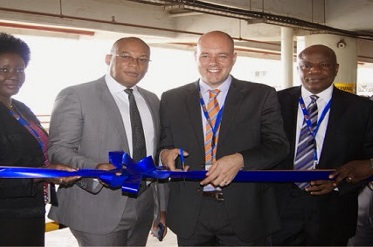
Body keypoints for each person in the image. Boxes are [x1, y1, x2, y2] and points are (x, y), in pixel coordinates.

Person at [158, 30, 289, 246]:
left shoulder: (261, 95)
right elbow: (163, 145)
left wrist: (241, 159)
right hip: (192, 212)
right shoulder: (172, 98)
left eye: (222, 55)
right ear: (195, 57)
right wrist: (164, 154)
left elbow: (278, 146)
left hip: (245, 210)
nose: (213, 63)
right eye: (205, 55)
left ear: (234, 58)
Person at [0, 32, 78, 246]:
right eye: (3, 69)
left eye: (19, 69)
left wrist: (50, 172)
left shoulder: (19, 108)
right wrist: (41, 175)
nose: (14, 75)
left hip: (26, 215)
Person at [47, 37, 167, 246]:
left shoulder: (152, 99)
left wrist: (161, 207)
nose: (134, 64)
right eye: (126, 56)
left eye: (142, 59)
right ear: (108, 58)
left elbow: (155, 155)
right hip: (97, 205)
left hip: (144, 204)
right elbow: (59, 149)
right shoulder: (76, 95)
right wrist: (96, 168)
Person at [272, 44, 373, 246]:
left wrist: (339, 183)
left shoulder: (362, 109)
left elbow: (368, 159)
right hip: (280, 208)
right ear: (298, 68)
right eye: (306, 65)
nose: (314, 71)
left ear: (336, 68)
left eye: (323, 65)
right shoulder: (274, 102)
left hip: (333, 212)